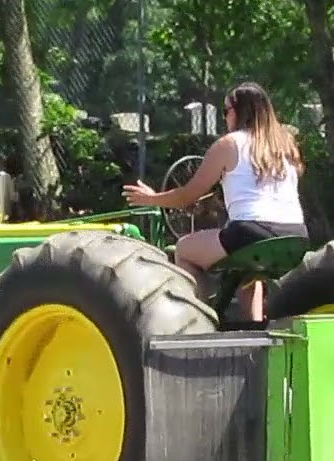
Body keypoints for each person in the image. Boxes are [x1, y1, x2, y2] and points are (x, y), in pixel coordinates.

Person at [122, 82, 308, 322]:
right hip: (295, 236)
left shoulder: (229, 144)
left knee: (184, 249)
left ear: (239, 111)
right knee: (249, 268)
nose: (224, 118)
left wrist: (151, 198)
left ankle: (198, 321)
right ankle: (253, 325)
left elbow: (187, 196)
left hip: (252, 233)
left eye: (225, 111)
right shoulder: (286, 144)